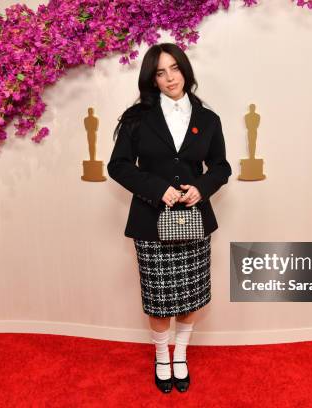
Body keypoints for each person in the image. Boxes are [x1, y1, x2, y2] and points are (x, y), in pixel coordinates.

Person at [107, 43, 231, 394]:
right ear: (152, 79)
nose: (169, 77)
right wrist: (157, 189)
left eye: (174, 68)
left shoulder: (208, 119)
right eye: (160, 72)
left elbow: (221, 166)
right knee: (159, 299)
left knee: (191, 296)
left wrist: (202, 188)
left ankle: (181, 355)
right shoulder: (136, 118)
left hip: (194, 220)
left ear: (185, 70)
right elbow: (117, 167)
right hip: (150, 221)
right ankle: (162, 356)